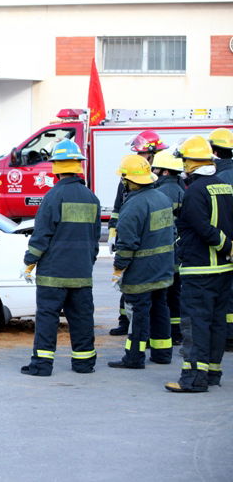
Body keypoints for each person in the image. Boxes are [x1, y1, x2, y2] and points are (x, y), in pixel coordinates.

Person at [20, 139, 100, 376]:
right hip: (81, 273)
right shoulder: (91, 198)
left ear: (55, 167)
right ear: (78, 166)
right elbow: (95, 240)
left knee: (47, 319)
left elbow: (41, 235)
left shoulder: (53, 197)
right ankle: (84, 363)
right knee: (82, 319)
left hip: (53, 274)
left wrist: (29, 261)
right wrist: (87, 263)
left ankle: (42, 365)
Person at [166, 136, 233, 392]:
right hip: (224, 270)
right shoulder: (223, 186)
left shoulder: (194, 191)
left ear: (191, 163)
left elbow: (202, 227)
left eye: (184, 161)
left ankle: (194, 378)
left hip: (200, 269)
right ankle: (212, 373)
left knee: (195, 324)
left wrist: (225, 245)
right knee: (217, 322)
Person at [108, 155, 175, 369]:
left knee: (139, 313)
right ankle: (162, 353)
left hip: (141, 272)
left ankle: (134, 358)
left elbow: (127, 244)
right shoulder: (162, 198)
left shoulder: (133, 205)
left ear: (130, 180)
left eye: (124, 179)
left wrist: (118, 268)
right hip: (163, 268)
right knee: (160, 309)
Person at [108, 130, 168, 336]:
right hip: (131, 236)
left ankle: (137, 346)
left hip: (146, 244)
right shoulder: (129, 176)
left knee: (144, 297)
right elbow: (118, 208)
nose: (138, 158)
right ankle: (124, 322)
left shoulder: (160, 179)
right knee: (128, 288)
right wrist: (113, 232)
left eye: (141, 154)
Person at [151, 150, 186, 344]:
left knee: (161, 298)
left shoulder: (157, 193)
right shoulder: (184, 191)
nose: (153, 171)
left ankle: (161, 334)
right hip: (180, 254)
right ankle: (177, 333)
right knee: (176, 295)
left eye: (156, 169)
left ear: (164, 172)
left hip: (163, 255)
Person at [207, 128, 233, 352]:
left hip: (226, 245)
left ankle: (229, 336)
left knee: (228, 293)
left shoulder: (220, 179)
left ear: (214, 151)